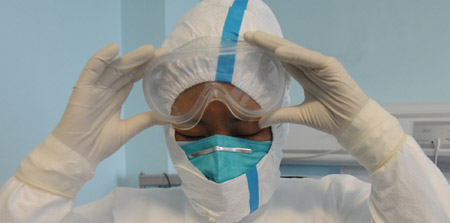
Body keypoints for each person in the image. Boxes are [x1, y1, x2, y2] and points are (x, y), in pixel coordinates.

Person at [1, 0, 449, 222]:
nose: (218, 150)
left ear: (280, 122)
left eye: (244, 127)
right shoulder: (127, 212)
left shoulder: (335, 204)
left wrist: (377, 139)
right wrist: (61, 163)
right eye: (194, 131)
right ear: (169, 130)